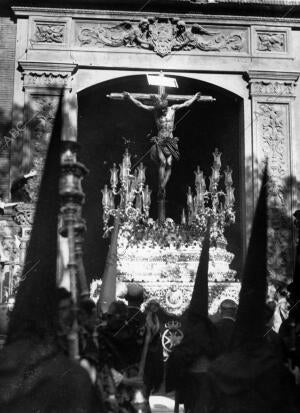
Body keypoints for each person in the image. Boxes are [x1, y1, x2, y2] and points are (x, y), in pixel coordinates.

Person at [123, 91, 201, 195]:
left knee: (169, 164)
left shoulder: (172, 109)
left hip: (170, 140)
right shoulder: (155, 111)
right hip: (160, 140)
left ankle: (162, 186)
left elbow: (186, 104)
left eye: (164, 109)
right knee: (163, 162)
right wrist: (130, 97)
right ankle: (161, 187)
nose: (163, 111)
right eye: (161, 109)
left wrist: (195, 97)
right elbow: (140, 105)